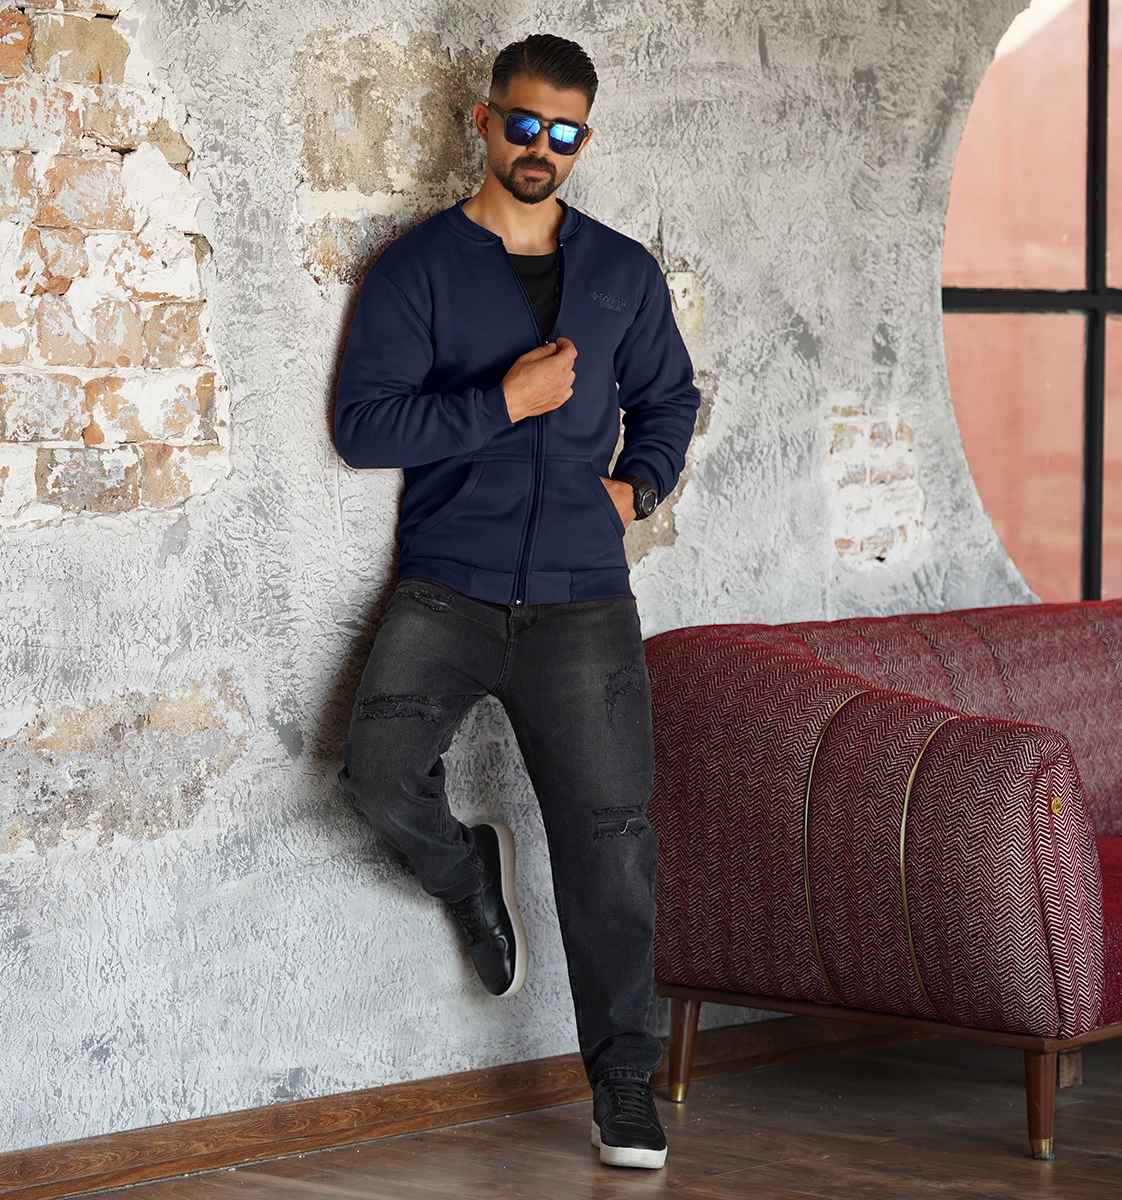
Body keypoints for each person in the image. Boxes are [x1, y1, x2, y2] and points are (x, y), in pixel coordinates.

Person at [333, 32, 700, 1171]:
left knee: (609, 845)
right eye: (525, 124)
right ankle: (464, 874)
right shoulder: (417, 268)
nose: (543, 148)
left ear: (582, 140)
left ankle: (623, 1085)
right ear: (485, 121)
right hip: (450, 584)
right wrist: (503, 402)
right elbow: (363, 427)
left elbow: (670, 399)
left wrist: (639, 486)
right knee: (373, 774)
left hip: (583, 599)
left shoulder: (623, 273)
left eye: (565, 133)